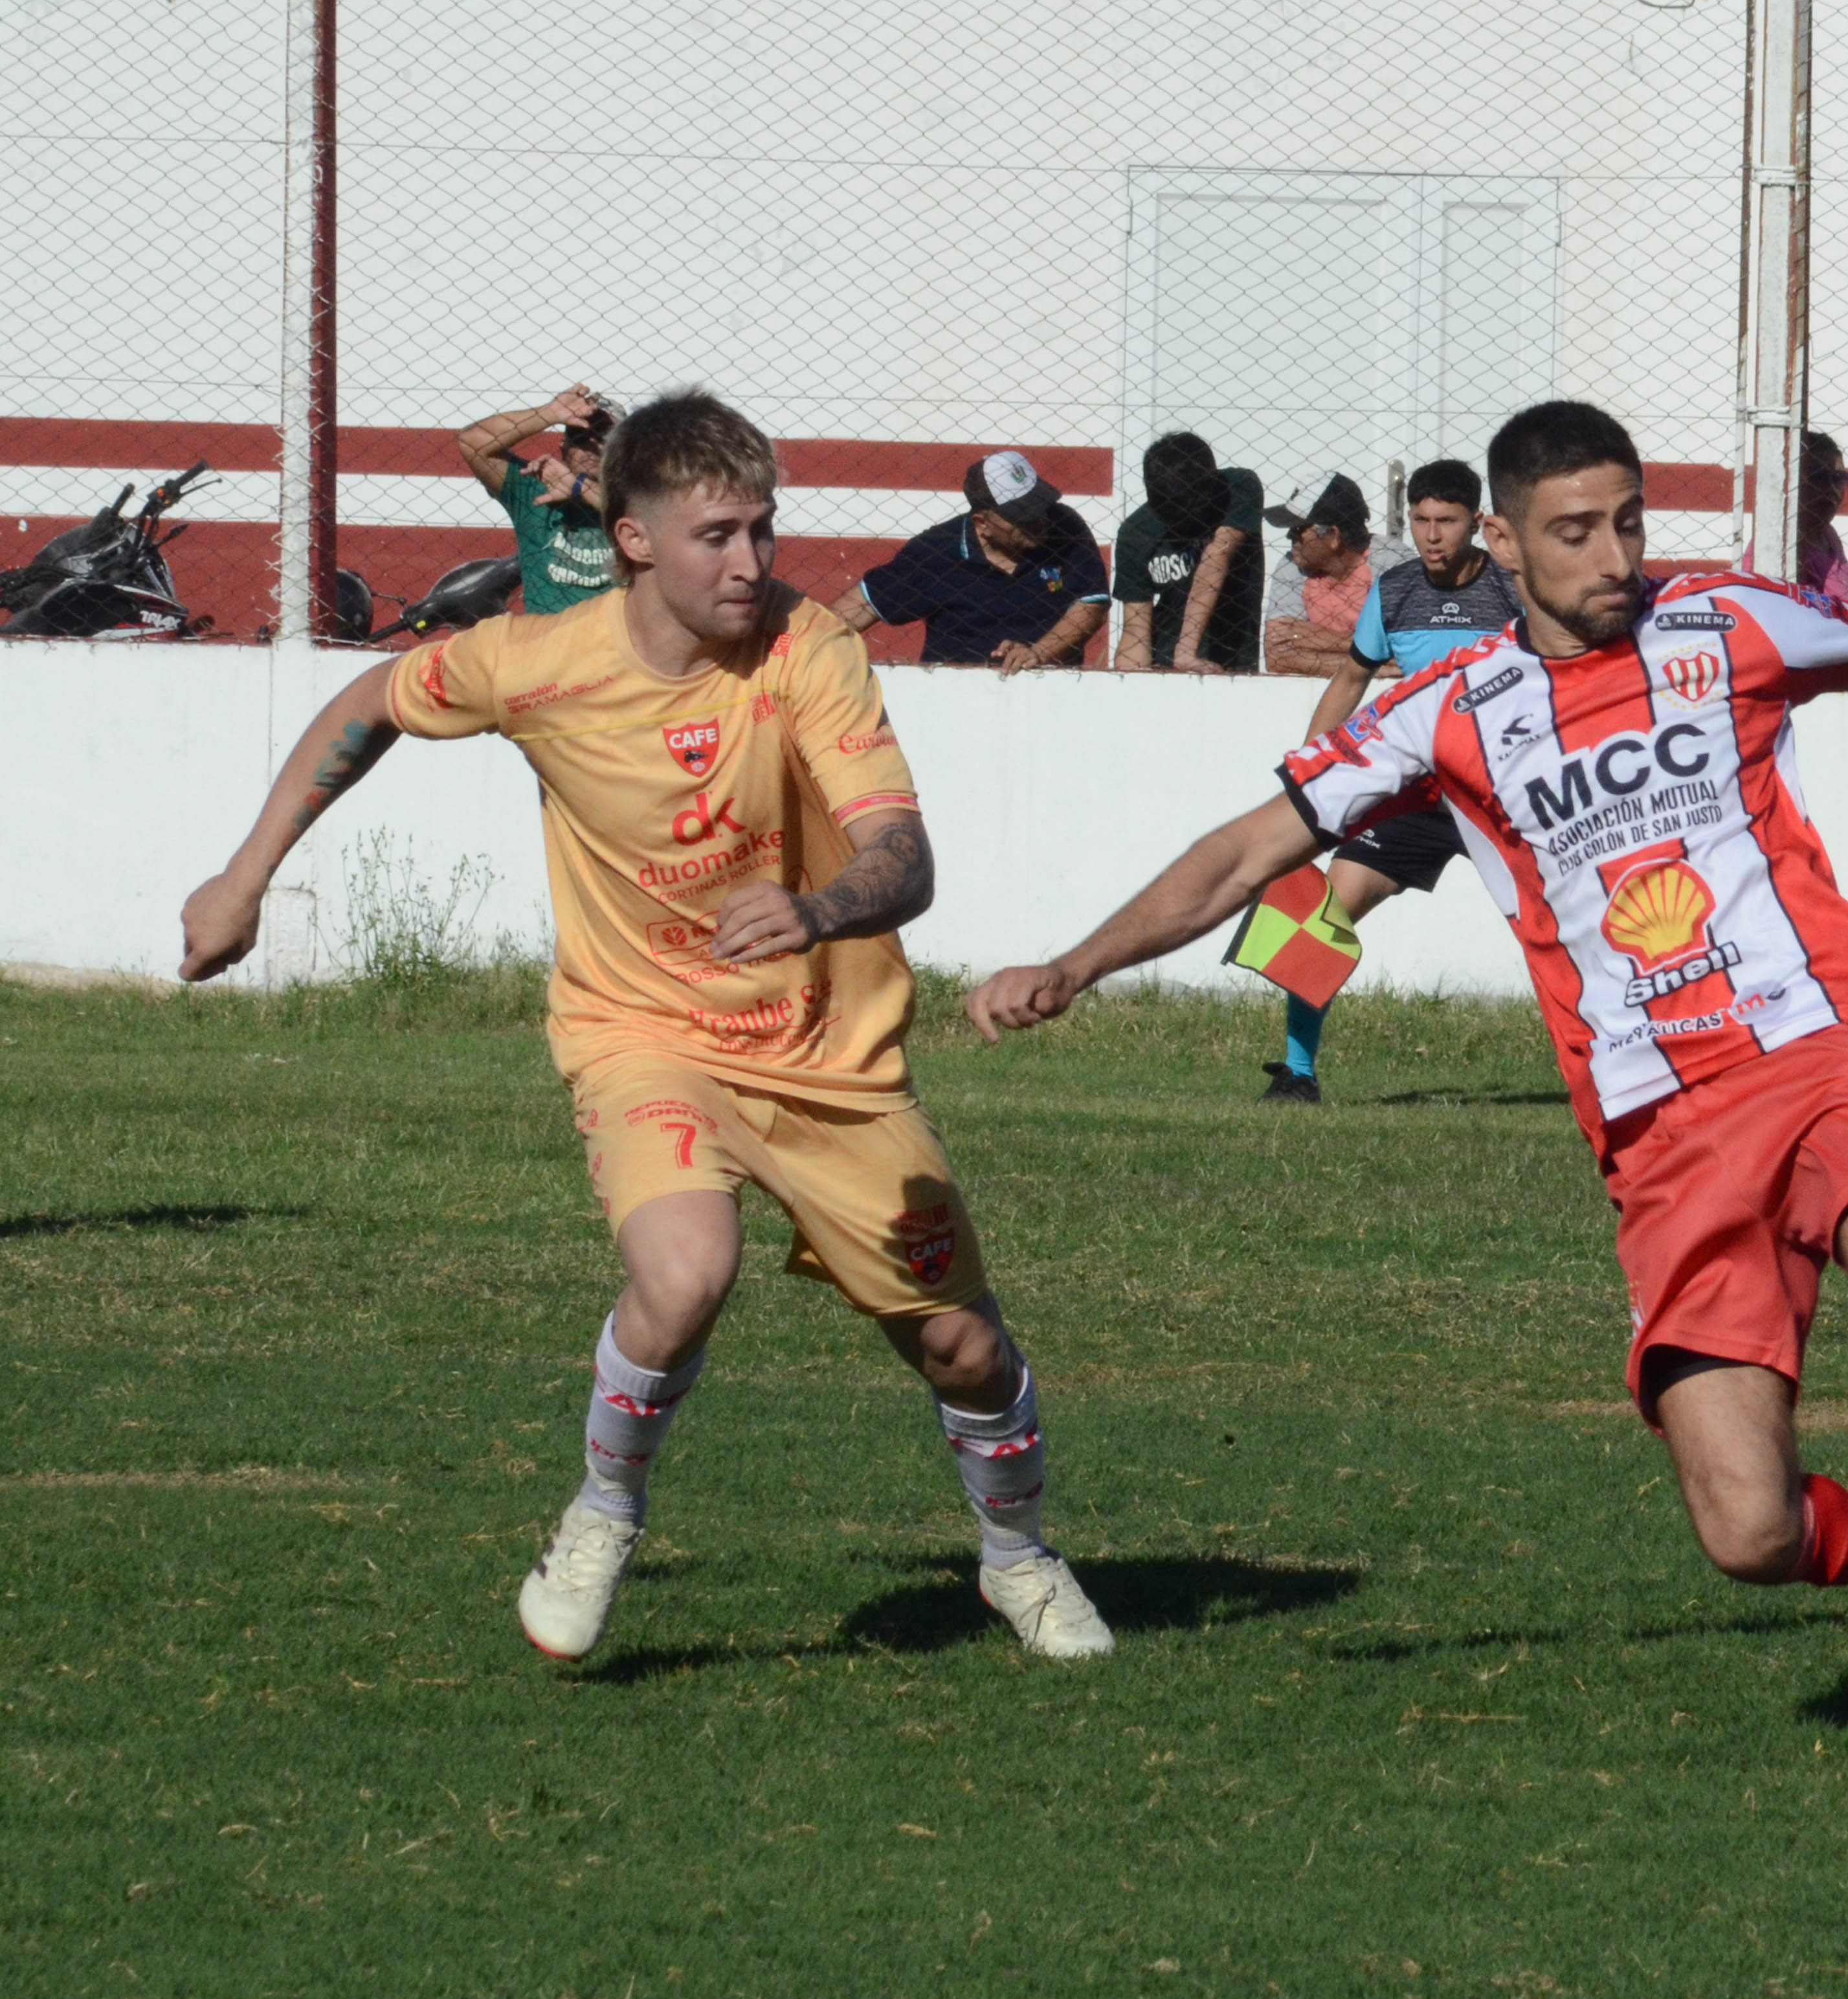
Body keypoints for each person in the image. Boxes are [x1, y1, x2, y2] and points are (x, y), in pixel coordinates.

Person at [969, 399, 1848, 1641]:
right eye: (1576, 532)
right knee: (1751, 1529)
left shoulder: (1727, 621)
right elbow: (1244, 851)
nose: (1617, 555)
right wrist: (1078, 964)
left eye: (1628, 520)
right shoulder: (1446, 710)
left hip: (1815, 1038)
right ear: (1505, 542)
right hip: (1659, 1124)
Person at [173, 394, 1109, 1665]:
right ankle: (603, 1512)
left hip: (828, 1054)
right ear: (633, 539)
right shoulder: (539, 661)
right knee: (684, 1273)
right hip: (640, 1031)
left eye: (764, 528)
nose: (752, 561)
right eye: (718, 534)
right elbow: (376, 698)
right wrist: (244, 877)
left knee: (963, 1347)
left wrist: (817, 908)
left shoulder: (808, 651)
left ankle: (1016, 1556)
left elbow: (904, 854)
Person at [1264, 458, 1526, 1103]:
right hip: (1416, 794)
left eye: (1447, 521)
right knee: (1323, 916)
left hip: (1503, 795)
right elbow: (1351, 678)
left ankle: (1618, 1073)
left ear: (1478, 523)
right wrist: (1311, 776)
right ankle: (1298, 1073)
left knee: (1564, 929)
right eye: (1420, 520)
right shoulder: (1396, 591)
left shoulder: (1516, 589)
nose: (1431, 536)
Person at [836, 452, 1108, 673]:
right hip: (957, 693)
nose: (1040, 520)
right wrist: (814, 648)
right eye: (1023, 516)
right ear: (982, 524)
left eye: (1041, 505)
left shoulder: (1065, 526)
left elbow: (1089, 606)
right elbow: (859, 607)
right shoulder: (937, 551)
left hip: (1051, 688)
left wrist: (1037, 653)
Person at [455, 384, 621, 614]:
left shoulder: (641, 498)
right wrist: (549, 413)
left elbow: (649, 519)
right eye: (580, 435)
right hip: (548, 634)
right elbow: (472, 442)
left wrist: (579, 487)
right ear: (563, 448)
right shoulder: (534, 490)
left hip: (615, 634)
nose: (592, 445)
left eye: (605, 437)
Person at [1111, 432, 1261, 673]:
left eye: (1194, 508)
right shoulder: (1136, 531)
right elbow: (1136, 625)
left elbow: (1216, 558)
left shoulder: (1238, 487)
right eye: (1171, 511)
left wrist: (1186, 652)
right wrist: (1132, 680)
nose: (1184, 519)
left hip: (1232, 664)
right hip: (1164, 663)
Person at [1261, 475, 1399, 676]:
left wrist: (1306, 637)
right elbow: (1277, 655)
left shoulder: (1391, 560)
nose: (1290, 536)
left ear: (1334, 536)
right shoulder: (1292, 563)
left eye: (1299, 529)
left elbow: (1404, 649)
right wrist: (1375, 664)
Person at [1741, 429, 1848, 607]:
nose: (1831, 489)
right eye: (1818, 477)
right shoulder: (1781, 543)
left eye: (1839, 478)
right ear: (1793, 481)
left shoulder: (1827, 536)